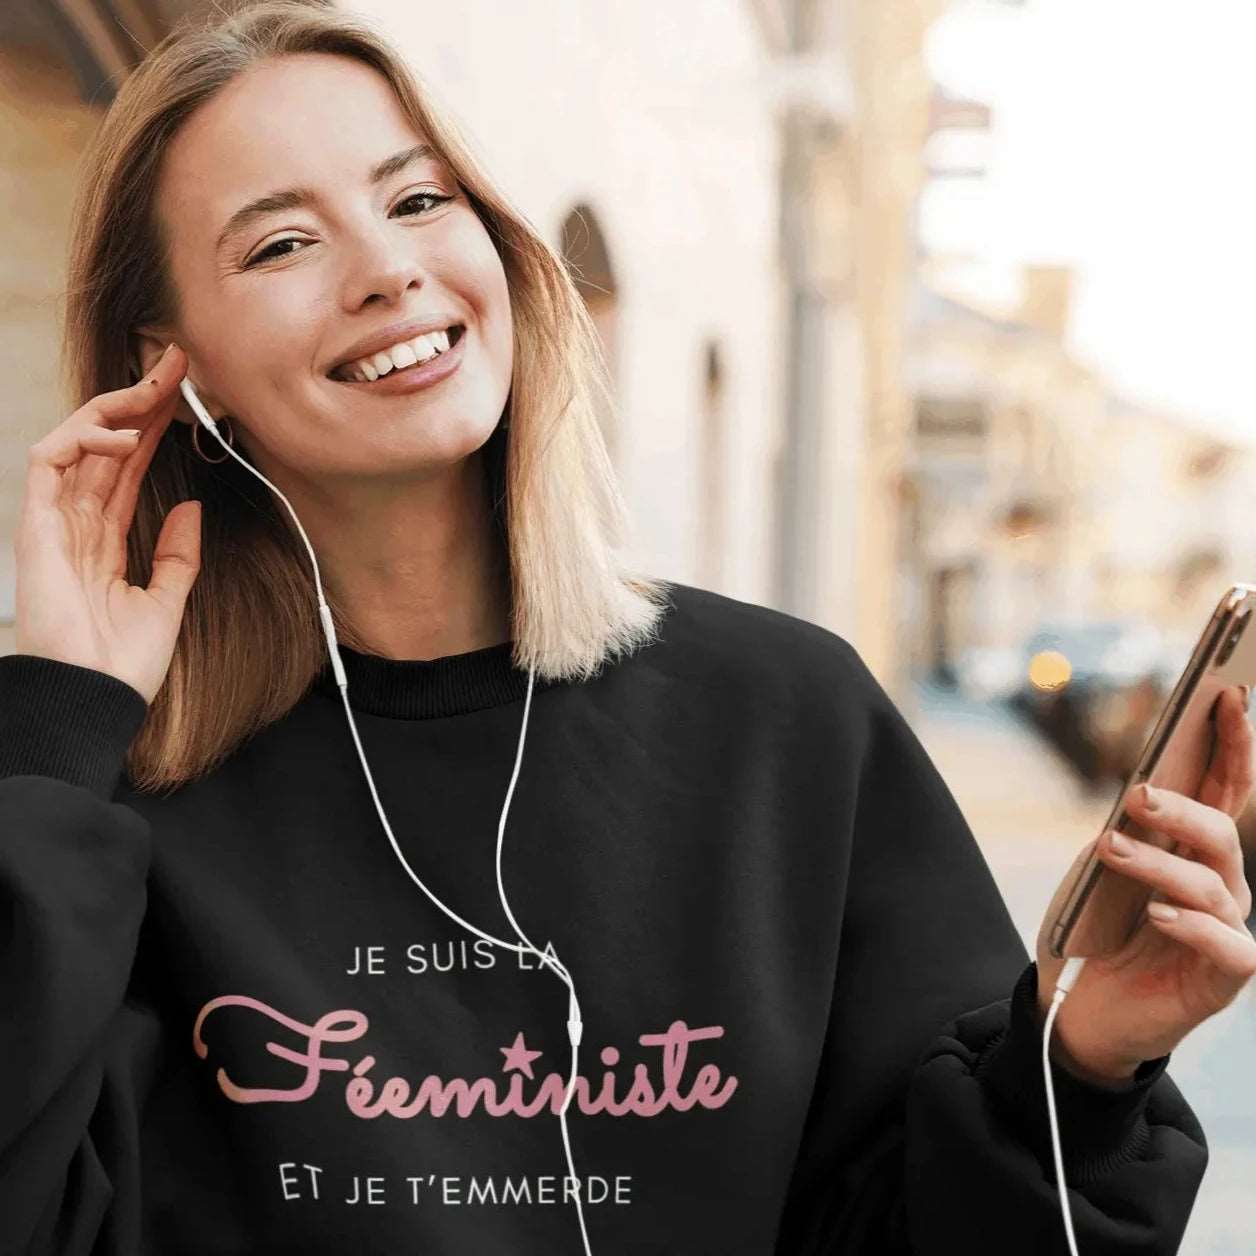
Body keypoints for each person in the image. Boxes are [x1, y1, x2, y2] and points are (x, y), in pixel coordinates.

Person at [2, 2, 1253, 1252]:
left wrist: (1083, 1063)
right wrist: (57, 712)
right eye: (279, 244)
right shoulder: (110, 786)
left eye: (419, 199)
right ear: (176, 361)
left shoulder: (786, 718)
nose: (386, 267)